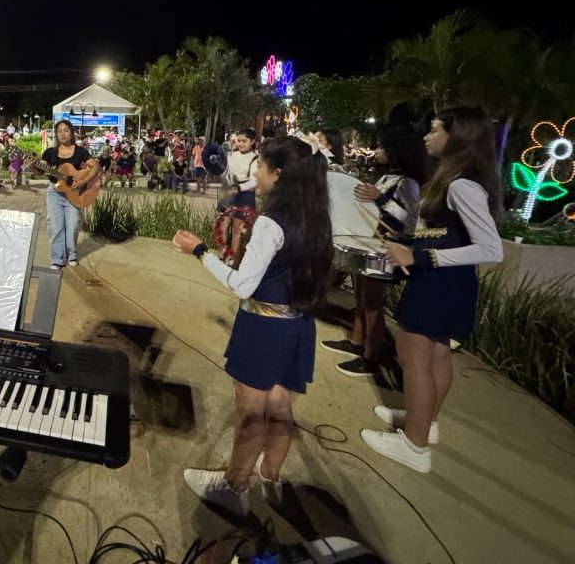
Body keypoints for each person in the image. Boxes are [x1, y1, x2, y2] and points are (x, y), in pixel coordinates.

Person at [177, 137, 332, 514]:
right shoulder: (316, 212)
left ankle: (234, 486)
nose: (254, 172)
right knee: (280, 407)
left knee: (250, 412)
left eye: (260, 166)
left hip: (263, 327)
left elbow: (242, 284)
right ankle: (271, 477)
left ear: (277, 175)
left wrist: (199, 251)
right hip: (297, 325)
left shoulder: (271, 222)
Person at [362, 107, 503, 473]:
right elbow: (441, 231)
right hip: (444, 280)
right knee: (438, 353)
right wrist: (411, 242)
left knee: (412, 353)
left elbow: (491, 248)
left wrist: (423, 257)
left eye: (434, 130)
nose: (426, 137)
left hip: (440, 281)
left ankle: (414, 445)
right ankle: (424, 422)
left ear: (458, 137)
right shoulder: (455, 179)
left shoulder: (461, 185)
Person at [323, 126, 429, 378]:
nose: (377, 151)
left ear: (397, 152)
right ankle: (356, 342)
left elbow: (413, 221)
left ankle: (370, 357)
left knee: (372, 304)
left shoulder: (408, 183)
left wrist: (381, 199)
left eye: (382, 147)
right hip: (369, 243)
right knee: (361, 297)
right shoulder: (386, 177)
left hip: (386, 248)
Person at [33, 119, 99, 269]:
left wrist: (83, 181)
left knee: (73, 226)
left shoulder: (80, 151)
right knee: (55, 226)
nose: (63, 134)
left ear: (72, 133)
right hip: (55, 193)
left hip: (75, 193)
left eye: (66, 130)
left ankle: (72, 254)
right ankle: (57, 258)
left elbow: (95, 167)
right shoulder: (50, 152)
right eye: (59, 131)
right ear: (56, 134)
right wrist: (33, 166)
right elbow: (40, 171)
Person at [220, 129, 260, 211]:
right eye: (238, 141)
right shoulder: (233, 155)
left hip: (245, 195)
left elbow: (254, 181)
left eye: (244, 141)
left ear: (252, 141)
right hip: (229, 193)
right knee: (220, 222)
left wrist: (238, 188)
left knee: (238, 223)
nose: (240, 144)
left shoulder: (255, 158)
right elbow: (226, 173)